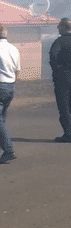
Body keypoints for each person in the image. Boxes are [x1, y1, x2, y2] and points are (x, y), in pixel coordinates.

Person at [0, 24, 20, 164]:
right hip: (10, 86)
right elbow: (17, 71)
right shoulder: (14, 49)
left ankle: (8, 150)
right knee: (2, 119)